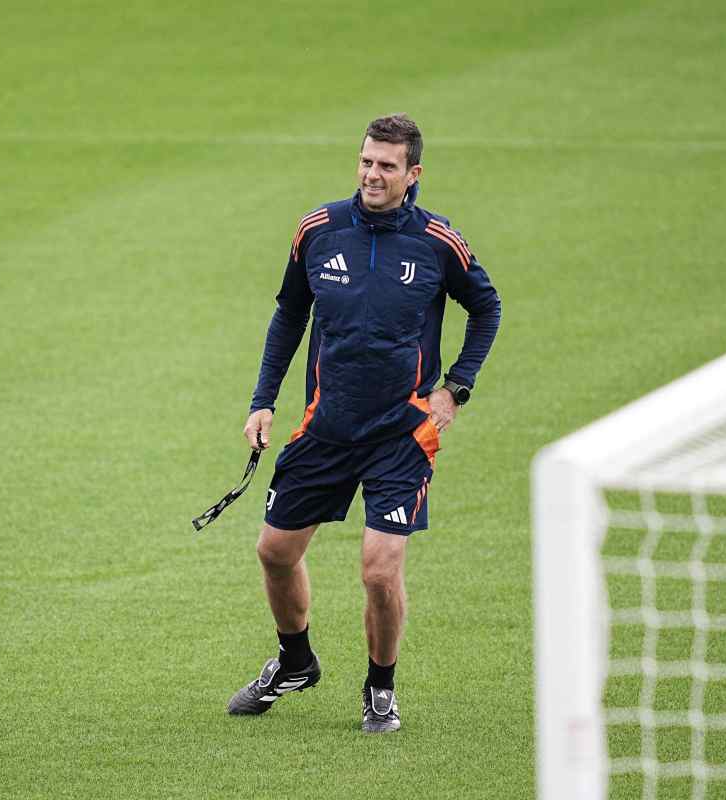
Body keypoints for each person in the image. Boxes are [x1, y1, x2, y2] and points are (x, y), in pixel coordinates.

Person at [226, 114, 501, 733]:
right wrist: (262, 399)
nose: (372, 175)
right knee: (274, 552)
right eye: (365, 162)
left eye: (386, 166)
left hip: (401, 435)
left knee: (379, 571)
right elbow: (289, 315)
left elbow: (486, 306)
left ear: (413, 174)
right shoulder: (319, 230)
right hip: (326, 427)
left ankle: (380, 687)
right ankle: (295, 661)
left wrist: (456, 387)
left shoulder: (436, 242)